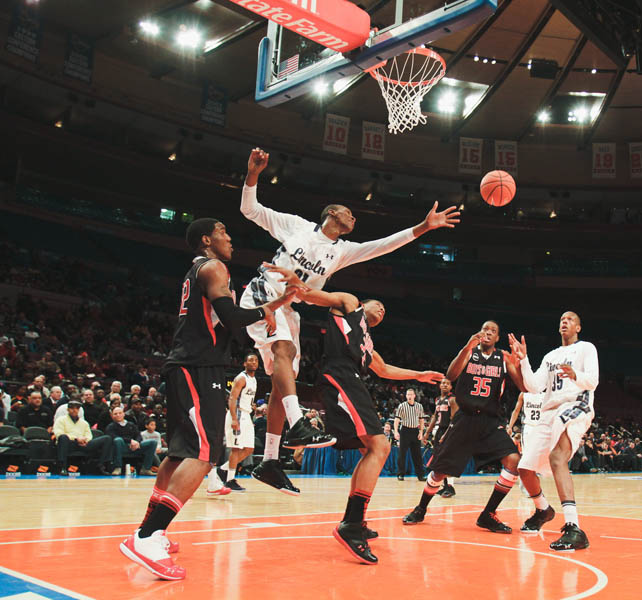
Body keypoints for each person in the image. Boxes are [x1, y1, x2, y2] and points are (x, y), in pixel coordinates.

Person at [238, 148, 460, 494]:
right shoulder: (295, 227)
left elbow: (383, 245)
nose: (354, 218)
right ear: (331, 213)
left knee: (285, 382)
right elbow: (249, 210)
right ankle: (298, 424)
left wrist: (423, 227)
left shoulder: (341, 251)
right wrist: (253, 174)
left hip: (291, 309)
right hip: (265, 295)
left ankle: (269, 461)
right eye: (349, 213)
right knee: (282, 353)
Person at [118, 218, 300, 581]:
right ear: (207, 239)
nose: (230, 237)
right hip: (198, 366)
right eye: (223, 231)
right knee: (204, 455)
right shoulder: (215, 266)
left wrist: (273, 304)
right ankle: (147, 535)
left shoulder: (200, 270)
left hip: (193, 364)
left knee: (180, 454)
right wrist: (266, 310)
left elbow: (225, 319)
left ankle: (152, 531)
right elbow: (232, 318)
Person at [267, 263, 443, 564]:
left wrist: (420, 374)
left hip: (349, 380)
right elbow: (315, 297)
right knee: (381, 446)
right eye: (380, 305)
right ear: (366, 304)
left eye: (386, 311)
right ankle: (351, 523)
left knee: (369, 449)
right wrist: (301, 285)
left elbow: (384, 369)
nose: (383, 311)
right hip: (340, 375)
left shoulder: (367, 342)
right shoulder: (350, 303)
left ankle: (355, 520)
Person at [402, 321, 525, 534]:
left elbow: (524, 387)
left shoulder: (504, 359)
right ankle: (421, 508)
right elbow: (450, 375)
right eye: (485, 329)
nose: (488, 332)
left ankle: (488, 514)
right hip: (465, 418)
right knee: (439, 472)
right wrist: (466, 348)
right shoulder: (470, 353)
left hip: (490, 421)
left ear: (497, 338)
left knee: (513, 461)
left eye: (493, 331)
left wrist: (520, 363)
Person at [508, 311, 599, 551]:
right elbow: (534, 386)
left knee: (557, 457)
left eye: (569, 319)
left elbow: (593, 381)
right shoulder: (551, 356)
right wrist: (524, 360)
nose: (564, 322)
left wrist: (574, 374)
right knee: (525, 469)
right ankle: (543, 510)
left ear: (578, 327)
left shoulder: (586, 348)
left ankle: (574, 527)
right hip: (549, 412)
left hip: (576, 404)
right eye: (561, 319)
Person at [208, 353, 259, 494]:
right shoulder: (241, 378)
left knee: (249, 449)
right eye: (250, 360)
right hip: (238, 414)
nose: (253, 362)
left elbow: (245, 398)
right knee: (236, 449)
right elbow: (232, 398)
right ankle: (230, 479)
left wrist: (254, 407)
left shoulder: (253, 380)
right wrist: (234, 418)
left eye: (255, 360)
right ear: (244, 363)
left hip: (247, 414)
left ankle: (223, 470)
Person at [53, 398, 113, 475]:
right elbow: (58, 433)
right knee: (63, 437)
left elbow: (89, 435)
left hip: (83, 444)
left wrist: (85, 440)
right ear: (68, 410)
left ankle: (101, 465)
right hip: (70, 443)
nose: (74, 410)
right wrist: (76, 439)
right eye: (72, 408)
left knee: (107, 438)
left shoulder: (84, 423)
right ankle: (63, 467)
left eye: (77, 408)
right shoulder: (60, 420)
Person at [422, 377, 458, 497]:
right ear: (439, 386)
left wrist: (447, 434)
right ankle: (445, 486)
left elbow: (454, 419)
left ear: (451, 387)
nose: (444, 385)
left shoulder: (452, 399)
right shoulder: (438, 399)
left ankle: (451, 487)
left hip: (448, 430)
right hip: (438, 431)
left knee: (447, 460)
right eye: (443, 383)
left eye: (447, 383)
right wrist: (427, 432)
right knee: (440, 460)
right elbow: (434, 417)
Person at [508, 391, 551, 477]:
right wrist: (510, 426)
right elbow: (516, 411)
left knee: (540, 452)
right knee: (526, 453)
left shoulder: (546, 395)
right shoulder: (524, 394)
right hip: (528, 426)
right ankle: (526, 473)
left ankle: (537, 471)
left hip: (541, 427)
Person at [106, 406, 157, 476]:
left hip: (135, 446)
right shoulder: (110, 427)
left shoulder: (131, 424)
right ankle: (117, 467)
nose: (118, 415)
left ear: (124, 414)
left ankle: (146, 468)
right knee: (118, 440)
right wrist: (130, 441)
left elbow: (139, 435)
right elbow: (113, 437)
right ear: (112, 415)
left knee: (153, 442)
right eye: (115, 414)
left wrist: (137, 442)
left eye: (120, 413)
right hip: (122, 447)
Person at [393, 389, 426, 482]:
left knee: (417, 454)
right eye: (408, 394)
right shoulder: (402, 406)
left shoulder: (419, 406)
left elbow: (421, 420)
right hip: (405, 430)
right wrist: (395, 431)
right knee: (402, 453)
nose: (409, 396)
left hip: (415, 430)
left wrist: (421, 432)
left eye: (411, 394)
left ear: (414, 395)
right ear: (406, 396)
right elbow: (397, 419)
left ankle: (420, 475)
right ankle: (400, 474)